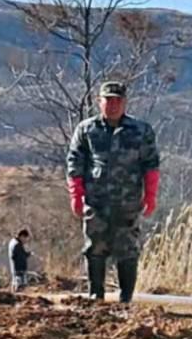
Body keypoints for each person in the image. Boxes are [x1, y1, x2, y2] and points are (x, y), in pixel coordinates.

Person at [66, 81, 160, 303]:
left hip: (127, 203)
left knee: (127, 251)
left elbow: (151, 165)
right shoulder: (86, 130)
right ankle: (95, 297)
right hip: (96, 203)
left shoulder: (141, 130)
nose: (113, 105)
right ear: (100, 102)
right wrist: (75, 196)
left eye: (118, 100)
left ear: (125, 102)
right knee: (95, 249)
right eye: (109, 100)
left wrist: (150, 196)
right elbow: (74, 164)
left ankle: (125, 299)